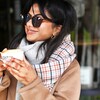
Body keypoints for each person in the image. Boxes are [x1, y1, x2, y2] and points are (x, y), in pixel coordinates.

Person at [0, 0, 81, 100]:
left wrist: (32, 82)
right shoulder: (15, 56)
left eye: (37, 19)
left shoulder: (68, 66)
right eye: (28, 17)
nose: (29, 24)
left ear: (57, 29)